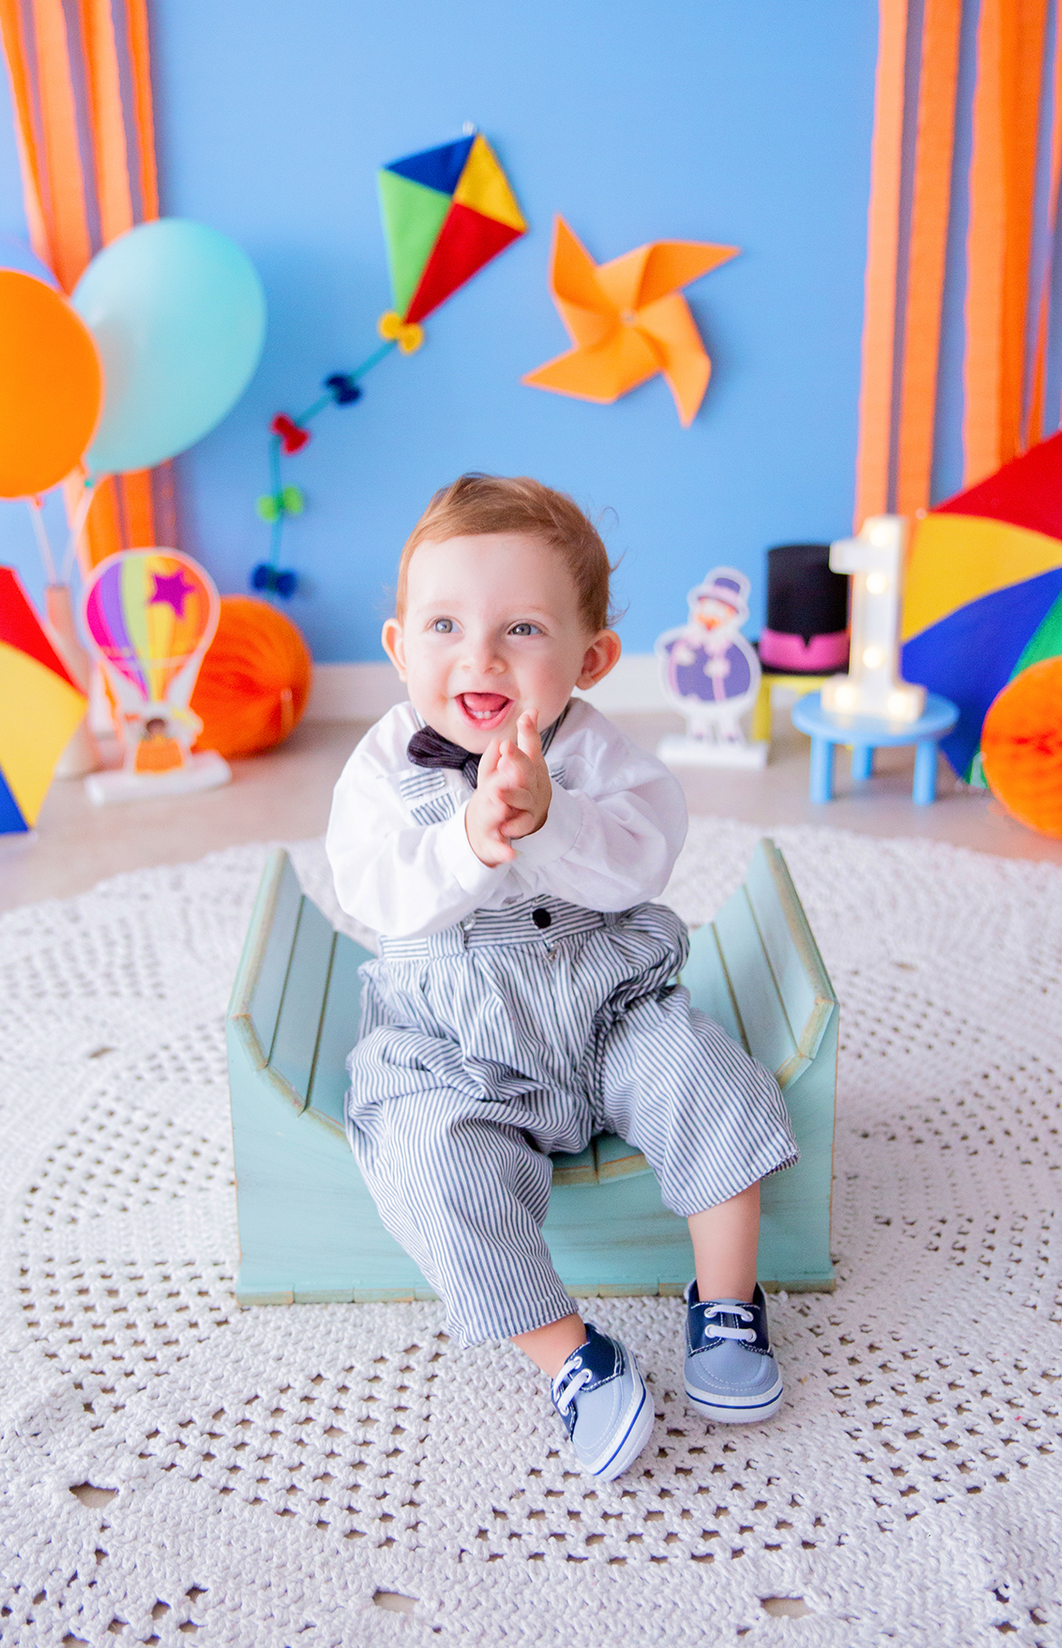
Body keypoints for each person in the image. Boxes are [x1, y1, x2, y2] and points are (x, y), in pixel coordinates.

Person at [326, 475, 797, 1482]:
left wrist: (552, 816)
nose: (480, 656)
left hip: (606, 1006)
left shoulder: (600, 753)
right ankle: (572, 1356)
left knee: (708, 1080)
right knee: (420, 1158)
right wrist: (468, 839)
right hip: (451, 1040)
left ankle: (726, 1302)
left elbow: (644, 859)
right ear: (400, 646)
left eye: (523, 629)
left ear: (592, 661)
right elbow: (374, 893)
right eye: (444, 624)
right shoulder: (378, 771)